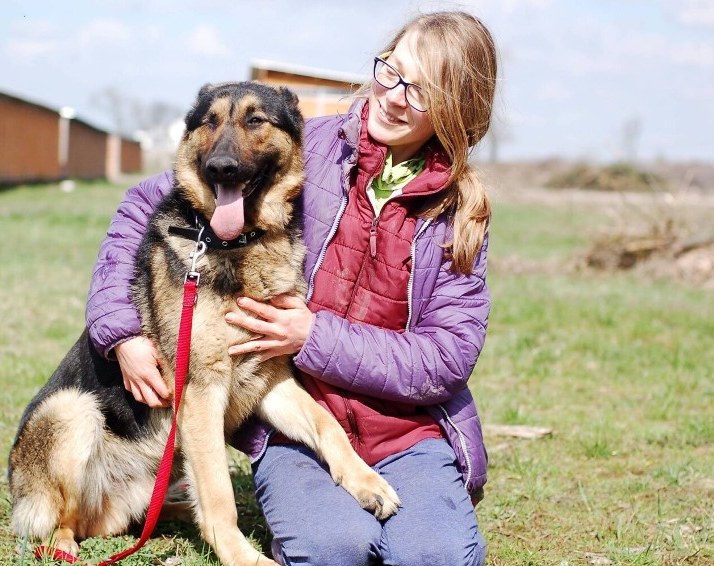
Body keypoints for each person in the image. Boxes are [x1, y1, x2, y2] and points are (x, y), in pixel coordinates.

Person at [86, 10, 496, 566]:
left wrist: (311, 335)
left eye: (420, 92)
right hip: (292, 419)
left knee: (436, 558)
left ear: (456, 110)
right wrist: (121, 330)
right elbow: (145, 204)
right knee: (333, 551)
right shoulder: (312, 149)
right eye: (391, 71)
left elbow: (447, 357)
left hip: (405, 432)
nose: (395, 97)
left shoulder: (458, 213)